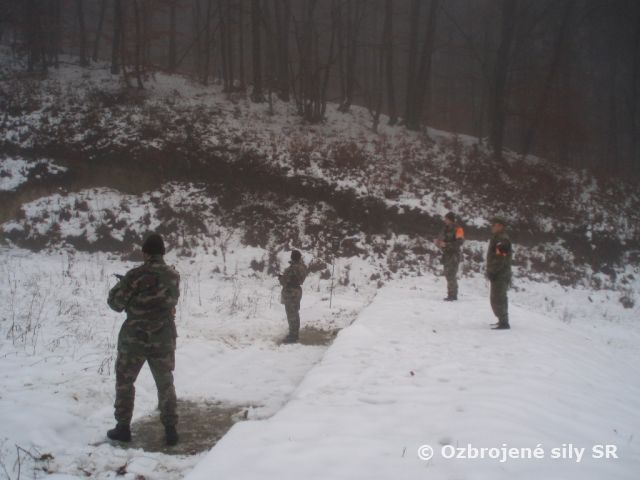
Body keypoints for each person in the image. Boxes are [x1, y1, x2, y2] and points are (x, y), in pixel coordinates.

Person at [106, 233, 181, 445]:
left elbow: (115, 304)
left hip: (134, 339)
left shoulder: (134, 275)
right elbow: (169, 301)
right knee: (165, 384)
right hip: (163, 337)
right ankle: (170, 429)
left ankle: (123, 428)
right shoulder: (173, 275)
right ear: (162, 252)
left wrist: (122, 286)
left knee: (125, 382)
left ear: (145, 252)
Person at [486, 218, 512, 330]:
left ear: (501, 226)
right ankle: (502, 320)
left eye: (494, 225)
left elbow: (501, 258)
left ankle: (504, 322)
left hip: (500, 273)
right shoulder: (497, 238)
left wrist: (494, 271)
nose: (492, 227)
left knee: (498, 298)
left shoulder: (502, 239)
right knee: (496, 297)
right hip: (498, 272)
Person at [278, 250, 308, 344]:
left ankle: (293, 336)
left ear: (292, 257)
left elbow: (284, 281)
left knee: (291, 314)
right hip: (297, 291)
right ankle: (295, 334)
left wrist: (280, 278)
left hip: (291, 292)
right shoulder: (303, 267)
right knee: (295, 313)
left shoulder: (291, 269)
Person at [435, 212, 465, 301]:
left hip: (454, 254)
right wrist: (438, 243)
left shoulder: (458, 229)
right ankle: (451, 294)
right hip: (446, 254)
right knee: (448, 274)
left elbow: (460, 242)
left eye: (446, 219)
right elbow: (441, 239)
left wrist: (446, 245)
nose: (445, 220)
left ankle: (452, 295)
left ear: (450, 219)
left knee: (451, 274)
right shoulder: (445, 229)